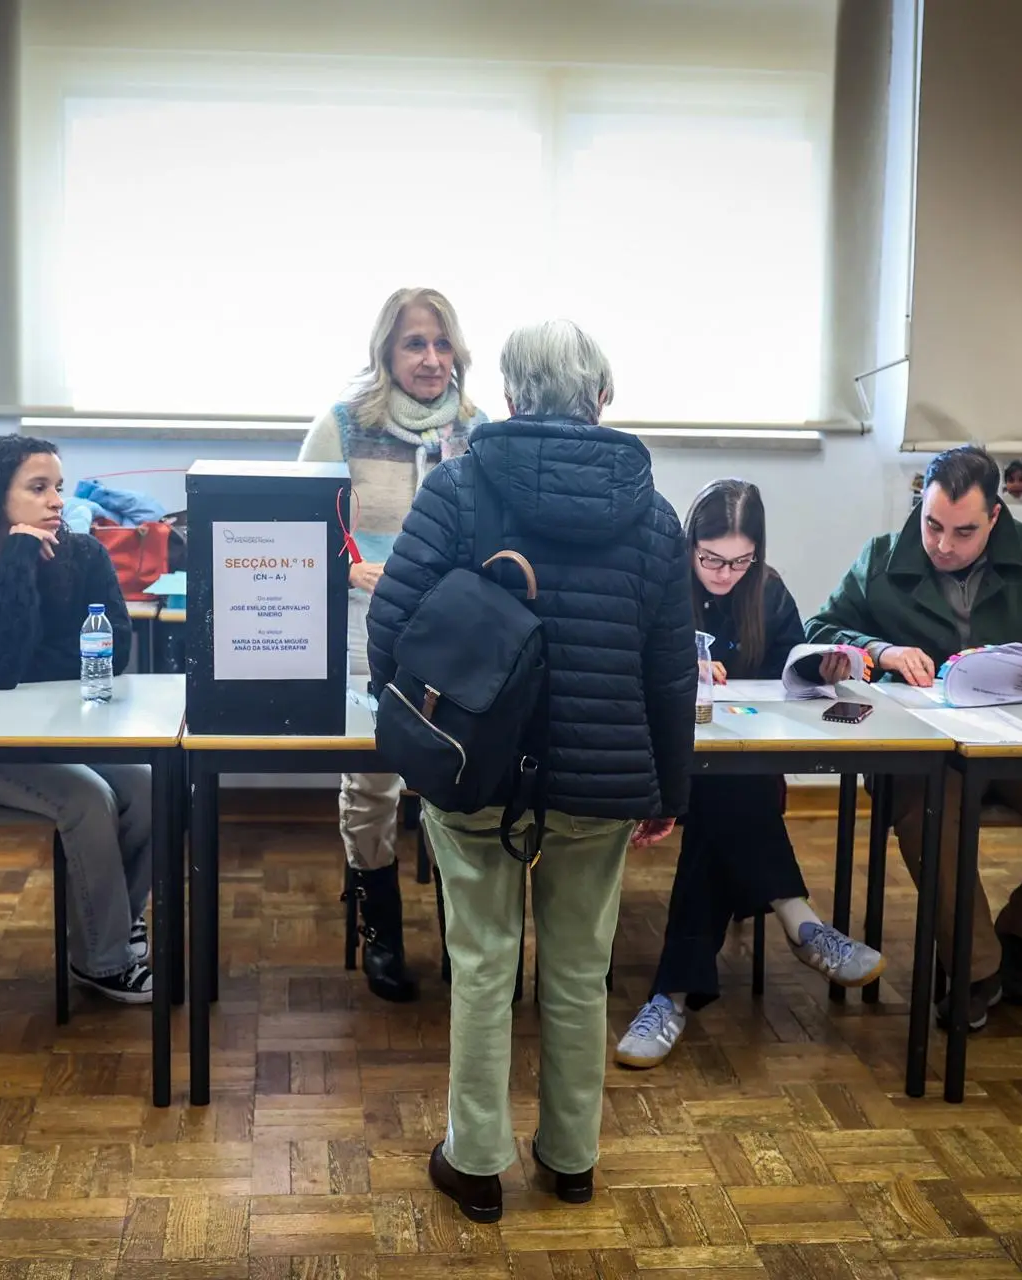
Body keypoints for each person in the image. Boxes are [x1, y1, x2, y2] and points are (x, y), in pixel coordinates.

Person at [368, 320, 695, 1224]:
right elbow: (670, 670)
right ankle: (572, 1158)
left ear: (509, 397)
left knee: (480, 965)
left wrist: (418, 729)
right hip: (600, 783)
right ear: (601, 399)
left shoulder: (459, 486)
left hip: (476, 776)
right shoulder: (656, 515)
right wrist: (669, 787)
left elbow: (390, 625)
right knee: (582, 972)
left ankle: (475, 1163)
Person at [806, 445, 1022, 1028]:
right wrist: (879, 650)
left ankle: (1018, 939)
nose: (943, 545)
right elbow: (820, 628)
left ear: (995, 519)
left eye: (964, 531)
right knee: (930, 820)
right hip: (926, 752)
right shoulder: (883, 557)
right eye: (932, 525)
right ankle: (975, 967)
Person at [614, 480, 883, 1069]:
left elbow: (794, 675)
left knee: (721, 801)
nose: (724, 573)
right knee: (725, 793)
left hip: (731, 771)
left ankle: (672, 996)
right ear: (690, 544)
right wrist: (679, 665)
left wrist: (824, 667)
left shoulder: (769, 591)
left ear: (757, 553)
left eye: (740, 561)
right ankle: (800, 919)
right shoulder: (660, 584)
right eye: (711, 557)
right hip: (657, 762)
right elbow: (621, 661)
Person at [0, 434, 153, 1003]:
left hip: (56, 735)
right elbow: (0, 666)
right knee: (87, 798)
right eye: (38, 488)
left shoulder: (84, 555)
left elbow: (112, 653)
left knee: (148, 787)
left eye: (59, 488)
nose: (56, 503)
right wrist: (18, 559)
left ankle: (114, 926)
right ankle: (103, 961)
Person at [298, 287, 488, 1003]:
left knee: (457, 776)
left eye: (442, 345)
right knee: (373, 776)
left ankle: (463, 929)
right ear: (386, 352)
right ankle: (380, 923)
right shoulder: (344, 426)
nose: (431, 359)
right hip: (365, 619)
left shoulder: (480, 431)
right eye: (415, 343)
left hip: (455, 628)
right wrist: (350, 565)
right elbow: (301, 524)